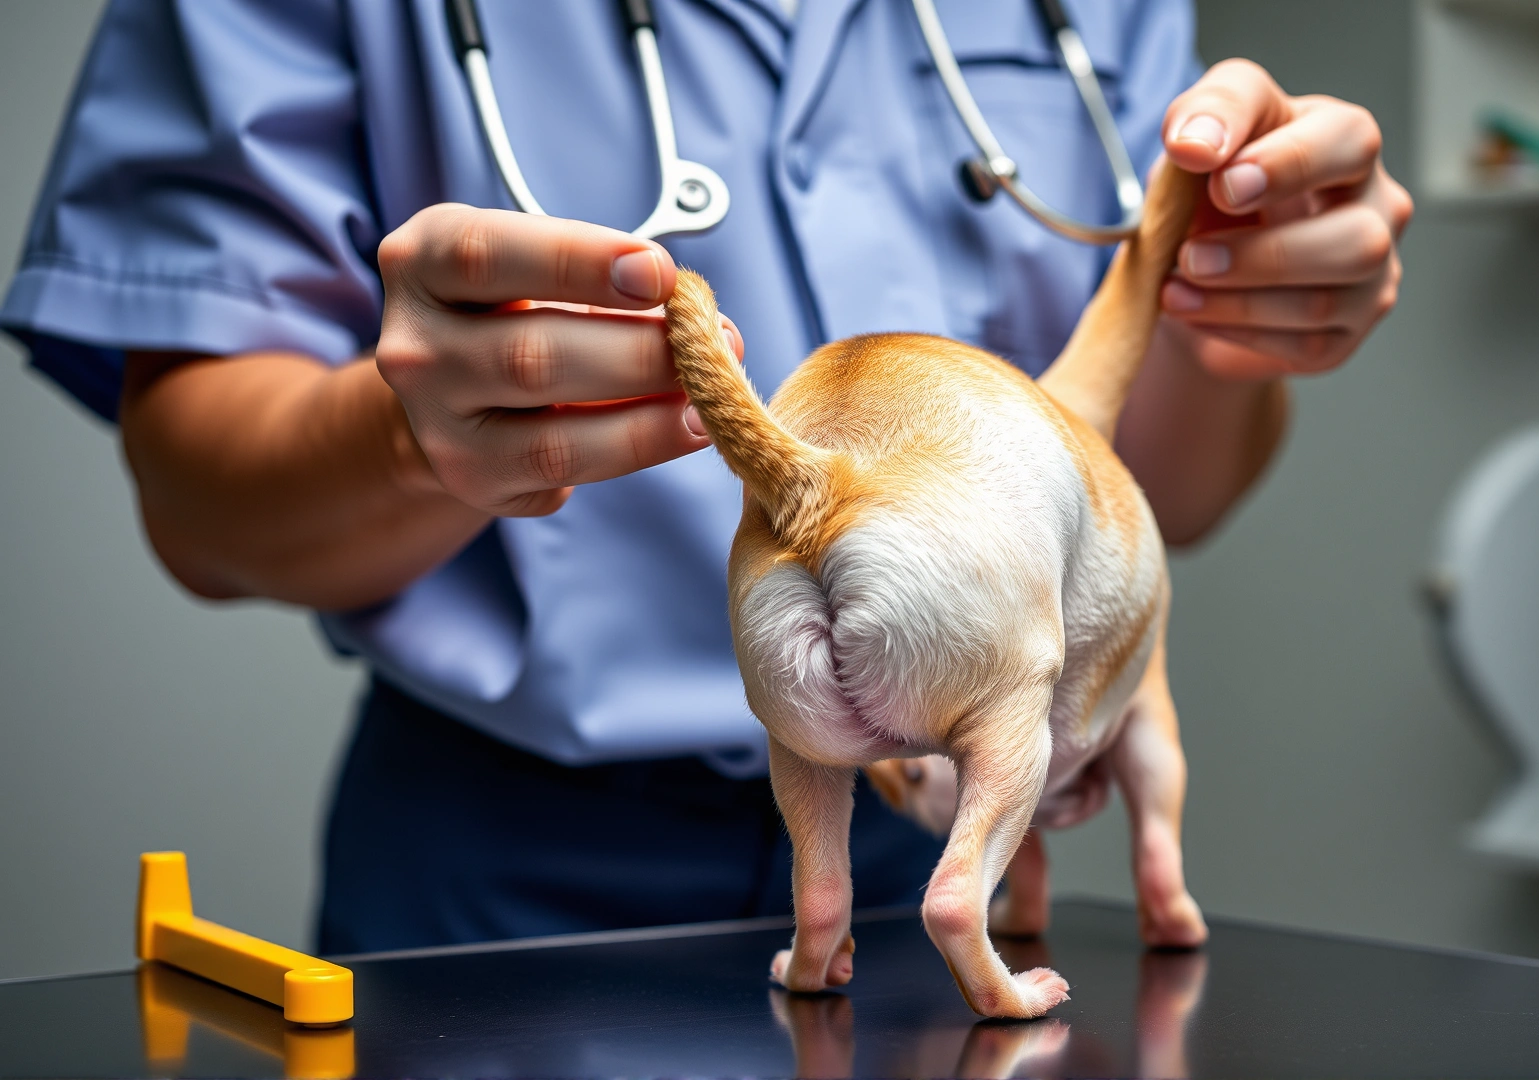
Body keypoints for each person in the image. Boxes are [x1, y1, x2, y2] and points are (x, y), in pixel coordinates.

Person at [2, 0, 1409, 953]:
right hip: (500, 879)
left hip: (916, 834)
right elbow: (197, 508)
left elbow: (1164, 487)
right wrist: (403, 436)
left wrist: (1235, 295)